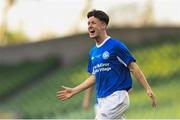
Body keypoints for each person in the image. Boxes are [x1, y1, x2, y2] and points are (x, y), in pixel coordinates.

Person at [56, 9, 156, 119]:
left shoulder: (115, 46)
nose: (90, 26)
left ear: (103, 25)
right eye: (88, 23)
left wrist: (147, 88)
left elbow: (133, 67)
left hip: (117, 97)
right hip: (101, 101)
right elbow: (94, 77)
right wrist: (74, 90)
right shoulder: (93, 52)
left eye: (93, 23)